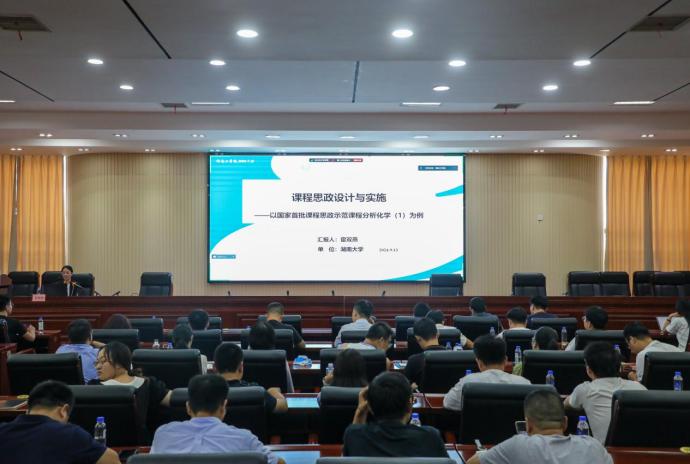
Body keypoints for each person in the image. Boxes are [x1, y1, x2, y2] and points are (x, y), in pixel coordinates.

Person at [150, 374, 284, 464]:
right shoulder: (245, 439)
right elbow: (278, 462)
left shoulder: (163, 434)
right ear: (223, 407)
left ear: (188, 407)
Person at [466, 390, 612, 464]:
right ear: (565, 423)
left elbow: (472, 463)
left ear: (528, 425)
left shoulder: (518, 445)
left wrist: (486, 453)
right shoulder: (594, 446)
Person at [0, 380, 119, 464]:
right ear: (64, 411)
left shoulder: (3, 431)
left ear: (28, 410)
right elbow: (112, 460)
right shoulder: (70, 434)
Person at [343, 372, 448, 458]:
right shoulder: (430, 437)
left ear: (369, 407)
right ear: (410, 405)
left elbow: (348, 458)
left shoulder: (353, 435)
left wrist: (360, 412)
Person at [564, 342, 646, 443]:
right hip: (641, 448)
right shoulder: (639, 387)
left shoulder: (585, 390)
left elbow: (565, 405)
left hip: (604, 450)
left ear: (589, 370)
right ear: (619, 367)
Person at [91, 341, 172, 439]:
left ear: (119, 363)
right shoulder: (93, 387)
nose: (98, 367)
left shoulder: (149, 384)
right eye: (96, 362)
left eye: (103, 361)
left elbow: (175, 399)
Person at [444, 335, 530, 411]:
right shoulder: (524, 384)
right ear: (505, 360)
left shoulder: (467, 383)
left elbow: (448, 403)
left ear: (479, 362)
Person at [214, 342, 288, 413]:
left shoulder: (209, 393)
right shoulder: (256, 391)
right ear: (241, 367)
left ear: (214, 368)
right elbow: (283, 406)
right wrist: (274, 392)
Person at [248, 321, 295, 392]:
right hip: (277, 398)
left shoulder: (242, 358)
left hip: (250, 398)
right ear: (273, 339)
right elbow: (290, 390)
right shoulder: (279, 358)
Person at [56, 319, 103, 383]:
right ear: (90, 335)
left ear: (69, 336)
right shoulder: (98, 353)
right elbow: (113, 350)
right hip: (91, 388)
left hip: (65, 387)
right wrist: (92, 341)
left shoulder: (60, 350)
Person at [403, 318, 448, 386]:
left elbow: (404, 386)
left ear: (418, 339)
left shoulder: (413, 361)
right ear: (438, 334)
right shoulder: (453, 358)